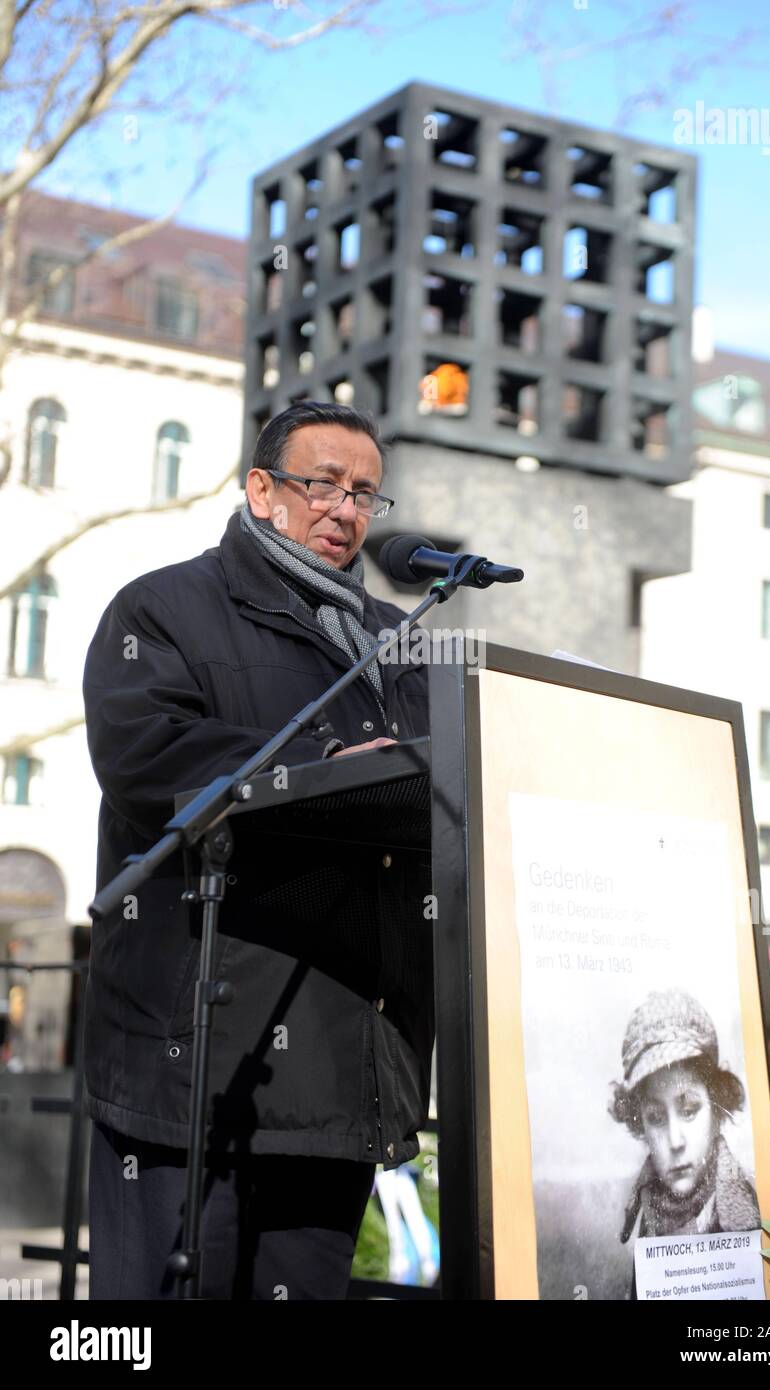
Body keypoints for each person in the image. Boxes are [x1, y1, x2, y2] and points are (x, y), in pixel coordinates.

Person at [82, 401, 433, 1300]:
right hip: (195, 1068)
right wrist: (322, 765)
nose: (344, 510)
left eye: (364, 494)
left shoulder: (399, 642)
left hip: (345, 1073)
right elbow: (148, 762)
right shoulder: (161, 608)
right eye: (322, 484)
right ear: (262, 490)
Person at [609, 989, 760, 1254]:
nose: (675, 1141)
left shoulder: (747, 1213)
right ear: (639, 1123)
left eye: (689, 1110)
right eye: (655, 1118)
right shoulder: (649, 1205)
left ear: (716, 1107)